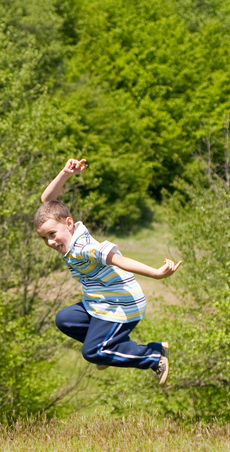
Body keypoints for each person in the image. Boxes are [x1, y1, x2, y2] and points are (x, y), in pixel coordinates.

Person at [36, 158, 182, 386]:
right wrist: (64, 174)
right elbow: (47, 201)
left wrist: (156, 273)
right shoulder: (68, 233)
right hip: (99, 302)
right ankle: (106, 347)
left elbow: (119, 260)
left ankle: (153, 356)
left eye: (52, 234)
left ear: (69, 223)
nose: (50, 242)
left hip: (121, 304)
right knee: (64, 319)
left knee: (91, 352)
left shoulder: (85, 249)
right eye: (44, 238)